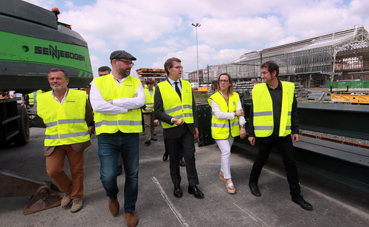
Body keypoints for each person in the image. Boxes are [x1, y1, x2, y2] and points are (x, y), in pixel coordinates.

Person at [247, 61, 313, 211]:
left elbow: (294, 111)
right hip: (265, 134)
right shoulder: (258, 89)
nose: (261, 75)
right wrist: (251, 133)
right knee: (260, 160)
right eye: (262, 73)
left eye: (264, 73)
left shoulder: (289, 88)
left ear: (274, 73)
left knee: (290, 164)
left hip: (283, 134)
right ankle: (252, 182)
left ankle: (296, 195)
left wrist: (295, 130)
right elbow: (252, 112)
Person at [90, 50, 144, 227]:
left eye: (131, 63)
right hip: (107, 135)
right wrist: (126, 106)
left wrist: (112, 102)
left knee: (132, 174)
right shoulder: (98, 82)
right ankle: (112, 196)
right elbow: (97, 106)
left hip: (130, 134)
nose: (130, 66)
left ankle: (129, 210)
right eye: (127, 63)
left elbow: (140, 102)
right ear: (115, 62)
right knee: (108, 175)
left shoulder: (136, 82)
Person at [37, 68, 93, 213]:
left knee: (77, 171)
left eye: (58, 78)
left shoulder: (80, 96)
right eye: (52, 79)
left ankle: (77, 197)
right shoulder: (42, 98)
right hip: (54, 142)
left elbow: (88, 116)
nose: (54, 81)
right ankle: (68, 191)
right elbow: (43, 120)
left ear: (67, 81)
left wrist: (90, 127)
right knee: (53, 171)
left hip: (76, 140)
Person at [154, 57, 204, 199]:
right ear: (169, 69)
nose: (180, 69)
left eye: (181, 67)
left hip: (187, 129)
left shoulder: (187, 85)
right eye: (177, 67)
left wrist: (195, 126)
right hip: (171, 129)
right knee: (174, 159)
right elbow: (157, 111)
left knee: (190, 157)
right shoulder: (160, 87)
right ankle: (176, 185)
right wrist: (171, 120)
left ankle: (193, 185)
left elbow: (193, 107)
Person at [208, 73, 246, 194]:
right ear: (218, 82)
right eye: (221, 80)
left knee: (226, 153)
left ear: (230, 83)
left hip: (232, 131)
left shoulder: (235, 96)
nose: (223, 82)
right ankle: (228, 179)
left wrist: (242, 127)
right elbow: (219, 115)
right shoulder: (214, 98)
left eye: (225, 80)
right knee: (226, 152)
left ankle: (222, 172)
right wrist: (235, 114)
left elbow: (241, 113)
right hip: (219, 131)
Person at [96, 65, 123, 176]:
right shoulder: (96, 87)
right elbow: (96, 106)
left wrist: (110, 104)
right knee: (106, 151)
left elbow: (126, 101)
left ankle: (118, 165)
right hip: (103, 125)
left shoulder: (118, 87)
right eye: (100, 75)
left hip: (118, 123)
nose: (102, 77)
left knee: (119, 148)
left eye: (105, 75)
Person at [141, 79, 159, 145]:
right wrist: (145, 108)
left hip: (153, 110)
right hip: (146, 111)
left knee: (153, 124)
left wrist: (156, 104)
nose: (151, 86)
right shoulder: (143, 91)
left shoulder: (155, 90)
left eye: (152, 84)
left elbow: (158, 99)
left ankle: (151, 136)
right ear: (147, 85)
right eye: (149, 84)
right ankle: (148, 139)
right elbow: (140, 101)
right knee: (147, 124)